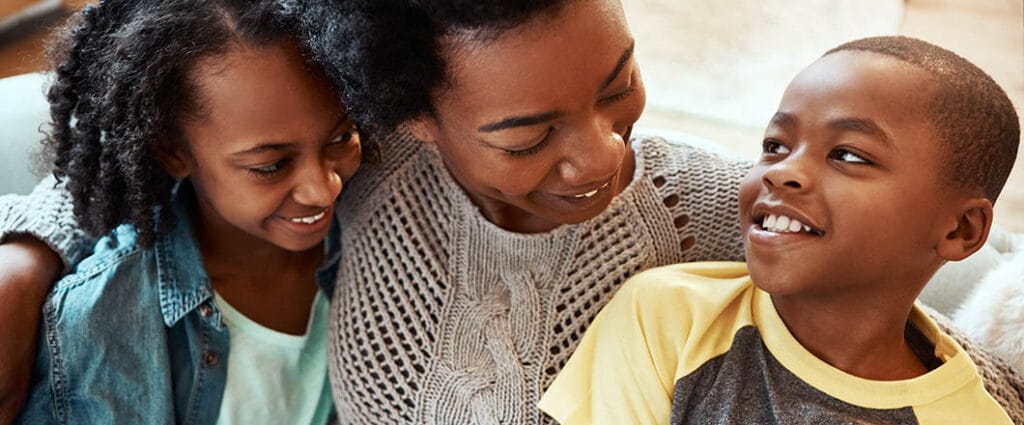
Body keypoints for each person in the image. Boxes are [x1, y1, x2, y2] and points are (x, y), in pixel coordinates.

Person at [0, 1, 1020, 424]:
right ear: (410, 118)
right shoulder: (359, 167)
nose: (602, 151)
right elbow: (171, 136)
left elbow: (891, 300)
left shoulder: (702, 206)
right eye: (526, 135)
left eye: (618, 82)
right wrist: (25, 254)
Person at [538, 36, 1019, 424]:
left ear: (960, 229)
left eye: (848, 155)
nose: (780, 171)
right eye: (775, 144)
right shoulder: (670, 317)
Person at [9, 0, 362, 423]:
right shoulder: (101, 322)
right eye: (270, 166)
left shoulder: (373, 225)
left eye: (342, 137)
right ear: (173, 153)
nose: (324, 188)